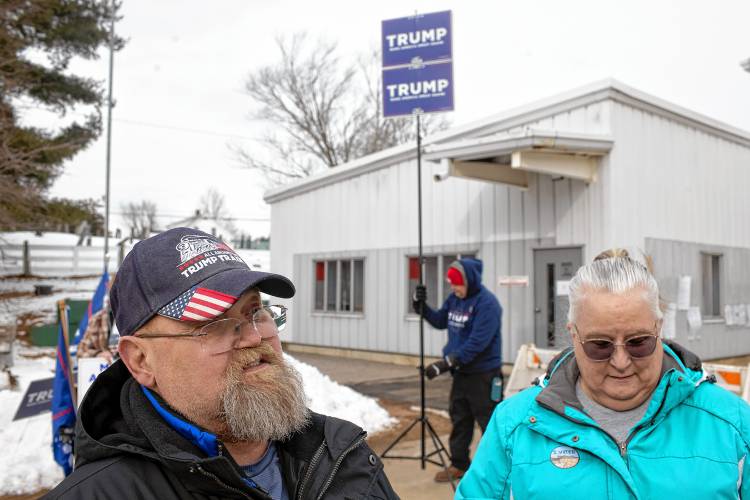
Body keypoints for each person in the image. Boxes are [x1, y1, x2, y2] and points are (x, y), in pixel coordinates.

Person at [45, 227, 398, 500]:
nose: (254, 337)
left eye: (255, 311)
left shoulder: (342, 456)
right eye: (211, 324)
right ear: (140, 360)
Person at [457, 255, 750, 499]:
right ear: (573, 335)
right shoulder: (515, 425)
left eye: (639, 342)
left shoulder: (733, 423)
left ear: (660, 329)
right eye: (600, 345)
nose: (621, 362)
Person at [412, 257, 502, 483]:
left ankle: (499, 468)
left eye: (457, 283)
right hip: (461, 373)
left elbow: (477, 343)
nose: (453, 288)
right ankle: (459, 464)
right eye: (451, 284)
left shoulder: (487, 304)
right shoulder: (454, 299)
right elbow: (440, 321)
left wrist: (445, 363)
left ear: (470, 280)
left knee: (489, 422)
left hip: (484, 374)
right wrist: (420, 306)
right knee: (460, 419)